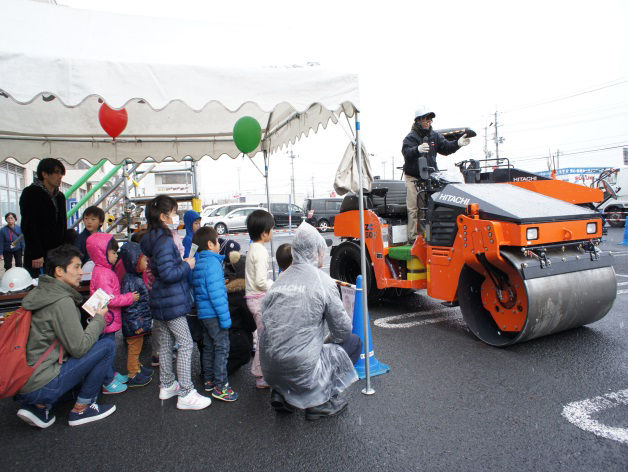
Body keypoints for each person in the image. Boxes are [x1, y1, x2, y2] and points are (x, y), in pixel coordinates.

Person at [259, 222, 362, 421]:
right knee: (354, 342)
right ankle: (320, 402)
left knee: (297, 350)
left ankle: (283, 393)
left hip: (269, 369)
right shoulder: (323, 282)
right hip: (300, 368)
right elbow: (342, 331)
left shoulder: (279, 281)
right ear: (316, 252)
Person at [14, 245, 116, 428]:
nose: (81, 272)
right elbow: (78, 348)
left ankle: (39, 406)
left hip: (24, 379)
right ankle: (82, 408)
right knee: (107, 346)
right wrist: (99, 319)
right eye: (76, 267)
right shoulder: (61, 302)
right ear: (59, 271)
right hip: (43, 382)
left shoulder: (41, 293)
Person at [140, 195, 211, 410]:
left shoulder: (152, 238)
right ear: (163, 216)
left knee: (167, 344)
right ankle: (186, 392)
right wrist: (187, 264)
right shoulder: (164, 240)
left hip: (160, 299)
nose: (175, 216)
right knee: (186, 343)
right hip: (171, 300)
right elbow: (168, 273)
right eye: (173, 212)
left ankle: (168, 384)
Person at [401, 107, 471, 242]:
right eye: (426, 118)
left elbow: (446, 148)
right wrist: (417, 149)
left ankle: (423, 236)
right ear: (418, 120)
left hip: (428, 178)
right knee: (413, 208)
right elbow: (407, 153)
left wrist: (458, 144)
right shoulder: (410, 138)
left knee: (425, 209)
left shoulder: (435, 135)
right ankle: (412, 237)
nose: (429, 121)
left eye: (430, 119)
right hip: (413, 178)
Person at [86, 233, 138, 395]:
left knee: (109, 348)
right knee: (106, 351)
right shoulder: (103, 273)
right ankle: (107, 381)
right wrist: (130, 297)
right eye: (113, 252)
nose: (116, 256)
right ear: (102, 253)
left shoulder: (104, 270)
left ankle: (112, 374)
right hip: (106, 319)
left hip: (108, 318)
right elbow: (109, 299)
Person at [191, 227, 238, 402]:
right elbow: (217, 295)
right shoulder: (213, 264)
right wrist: (225, 319)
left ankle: (209, 380)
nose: (219, 244)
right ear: (210, 244)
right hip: (214, 315)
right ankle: (221, 386)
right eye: (217, 241)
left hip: (203, 314)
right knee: (222, 348)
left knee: (209, 346)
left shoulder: (200, 262)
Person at [19, 158, 68, 278]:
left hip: (56, 253)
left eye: (61, 173)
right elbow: (29, 226)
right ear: (44, 174)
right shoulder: (31, 193)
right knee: (39, 286)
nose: (60, 176)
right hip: (39, 254)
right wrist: (36, 253)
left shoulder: (60, 196)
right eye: (56, 172)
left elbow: (63, 224)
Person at [244, 209, 275, 389]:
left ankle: (263, 372)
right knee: (264, 339)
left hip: (252, 297)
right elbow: (261, 282)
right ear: (264, 233)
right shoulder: (261, 251)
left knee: (263, 336)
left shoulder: (253, 248)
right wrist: (275, 285)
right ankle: (260, 375)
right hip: (259, 298)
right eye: (272, 229)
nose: (273, 231)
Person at [119, 241, 154, 387]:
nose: (147, 263)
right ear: (134, 262)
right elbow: (130, 308)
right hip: (135, 325)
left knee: (137, 348)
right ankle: (133, 374)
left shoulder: (134, 278)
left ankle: (138, 368)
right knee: (134, 349)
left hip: (138, 322)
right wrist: (137, 325)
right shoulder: (132, 281)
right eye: (144, 260)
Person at [220, 239, 256, 375]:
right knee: (245, 350)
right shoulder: (241, 294)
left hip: (222, 331)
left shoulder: (227, 284)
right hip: (233, 333)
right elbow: (251, 324)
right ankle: (223, 372)